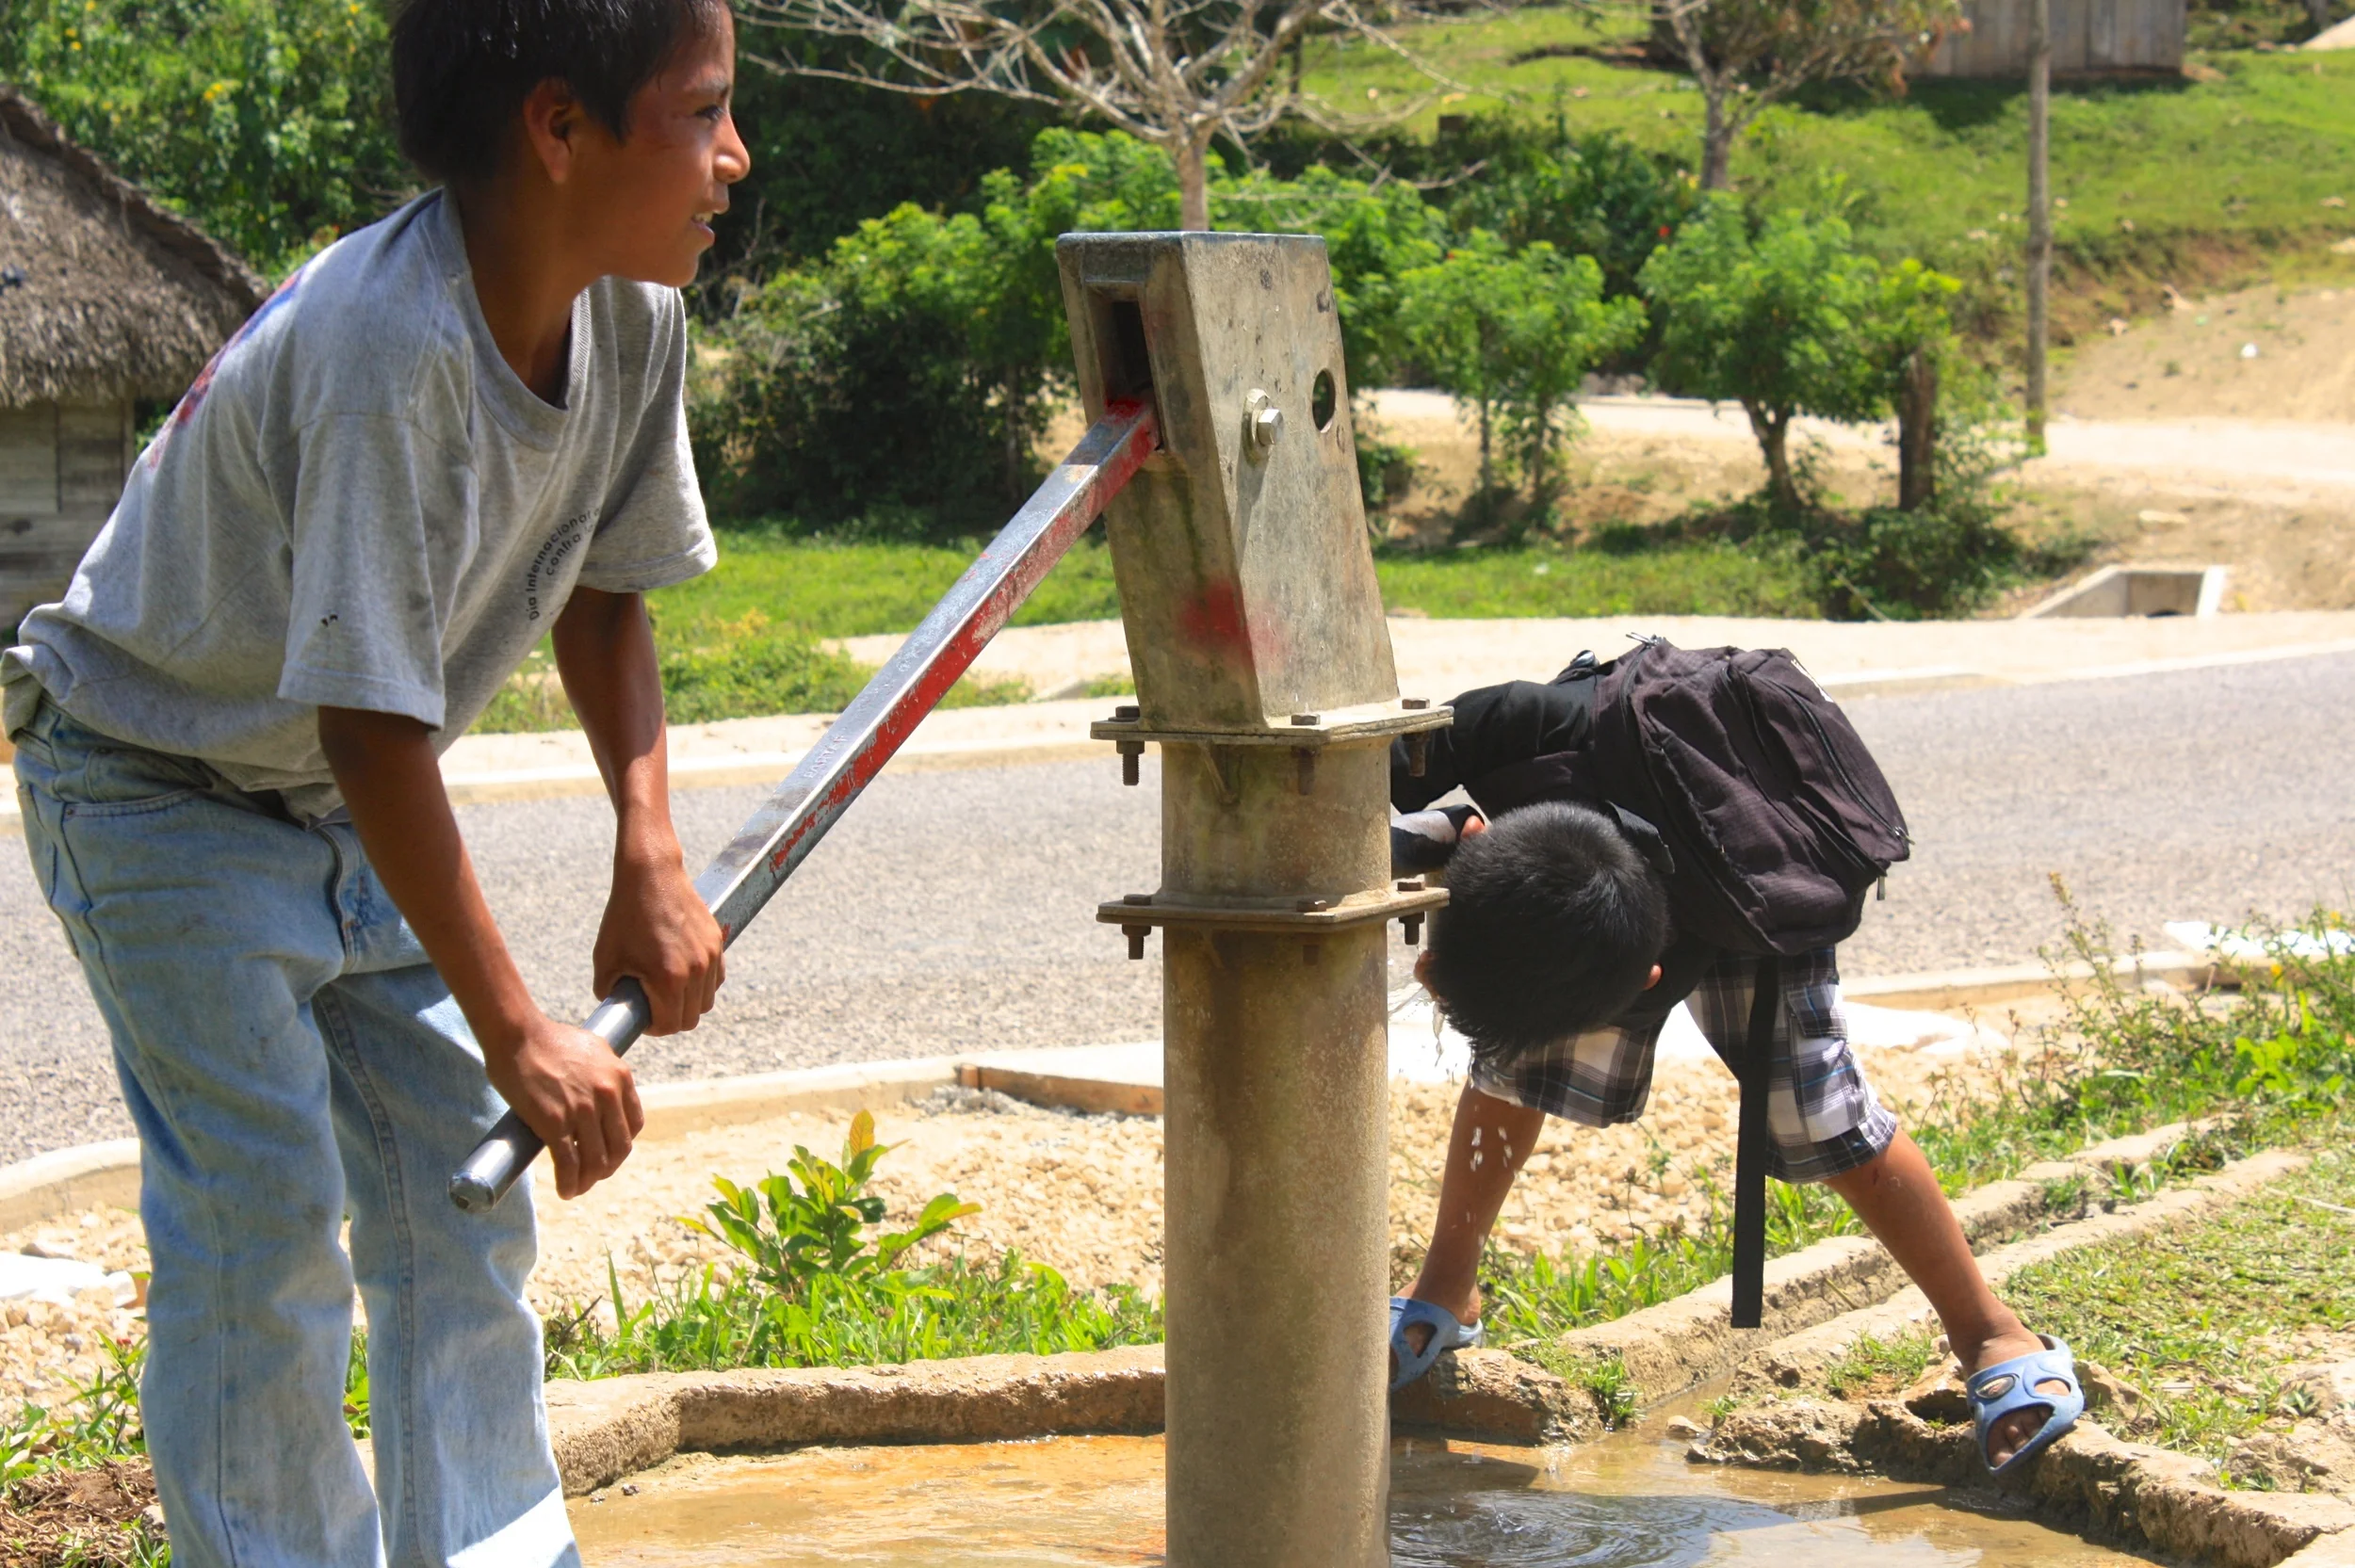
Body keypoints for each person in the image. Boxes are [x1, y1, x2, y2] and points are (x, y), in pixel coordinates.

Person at [5, 2, 747, 1560]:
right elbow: (373, 729)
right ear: (560, 130)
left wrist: (650, 845)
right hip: (157, 788)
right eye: (700, 113)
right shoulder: (382, 350)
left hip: (338, 803)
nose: (733, 158)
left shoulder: (633, 316)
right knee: (263, 1221)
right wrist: (523, 1029)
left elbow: (609, 592)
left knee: (460, 1197)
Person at [1387, 673, 2084, 1478]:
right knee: (1513, 1069)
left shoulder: (1772, 879)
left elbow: (1824, 1102)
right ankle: (1447, 1287)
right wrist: (1407, 835)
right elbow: (1338, 787)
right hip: (1581, 879)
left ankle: (1989, 1329)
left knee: (1820, 1113)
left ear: (1647, 977)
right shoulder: (1508, 726)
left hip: (1754, 869)